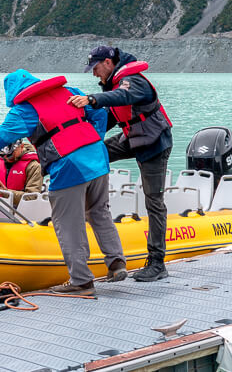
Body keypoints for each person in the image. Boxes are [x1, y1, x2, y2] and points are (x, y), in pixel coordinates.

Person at [0, 69, 127, 296]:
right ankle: (117, 263)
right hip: (98, 158)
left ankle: (81, 282)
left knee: (68, 223)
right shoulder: (69, 91)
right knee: (99, 211)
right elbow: (98, 112)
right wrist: (93, 139)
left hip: (69, 166)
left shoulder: (24, 110)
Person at [68, 46, 173, 282]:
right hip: (133, 137)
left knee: (154, 202)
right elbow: (115, 116)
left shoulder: (132, 80)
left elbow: (124, 97)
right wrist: (83, 138)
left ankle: (157, 262)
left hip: (154, 143)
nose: (94, 74)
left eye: (95, 68)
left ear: (107, 62)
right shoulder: (115, 83)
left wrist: (91, 99)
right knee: (97, 152)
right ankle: (90, 204)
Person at [0, 139, 44, 206]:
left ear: (21, 146)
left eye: (10, 155)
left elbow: (32, 197)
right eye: (3, 155)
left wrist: (6, 193)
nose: (6, 158)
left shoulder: (34, 167)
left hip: (22, 211)